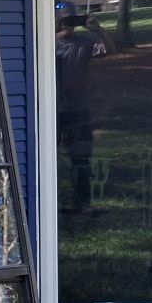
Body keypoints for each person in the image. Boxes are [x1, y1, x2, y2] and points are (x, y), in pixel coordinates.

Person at [54, 12, 106, 214]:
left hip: (78, 109)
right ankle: (50, 203)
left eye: (72, 19)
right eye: (65, 20)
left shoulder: (84, 42)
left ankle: (81, 204)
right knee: (49, 158)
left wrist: (98, 29)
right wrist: (59, 34)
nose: (69, 24)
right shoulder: (49, 43)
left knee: (81, 157)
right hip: (53, 111)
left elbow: (110, 50)